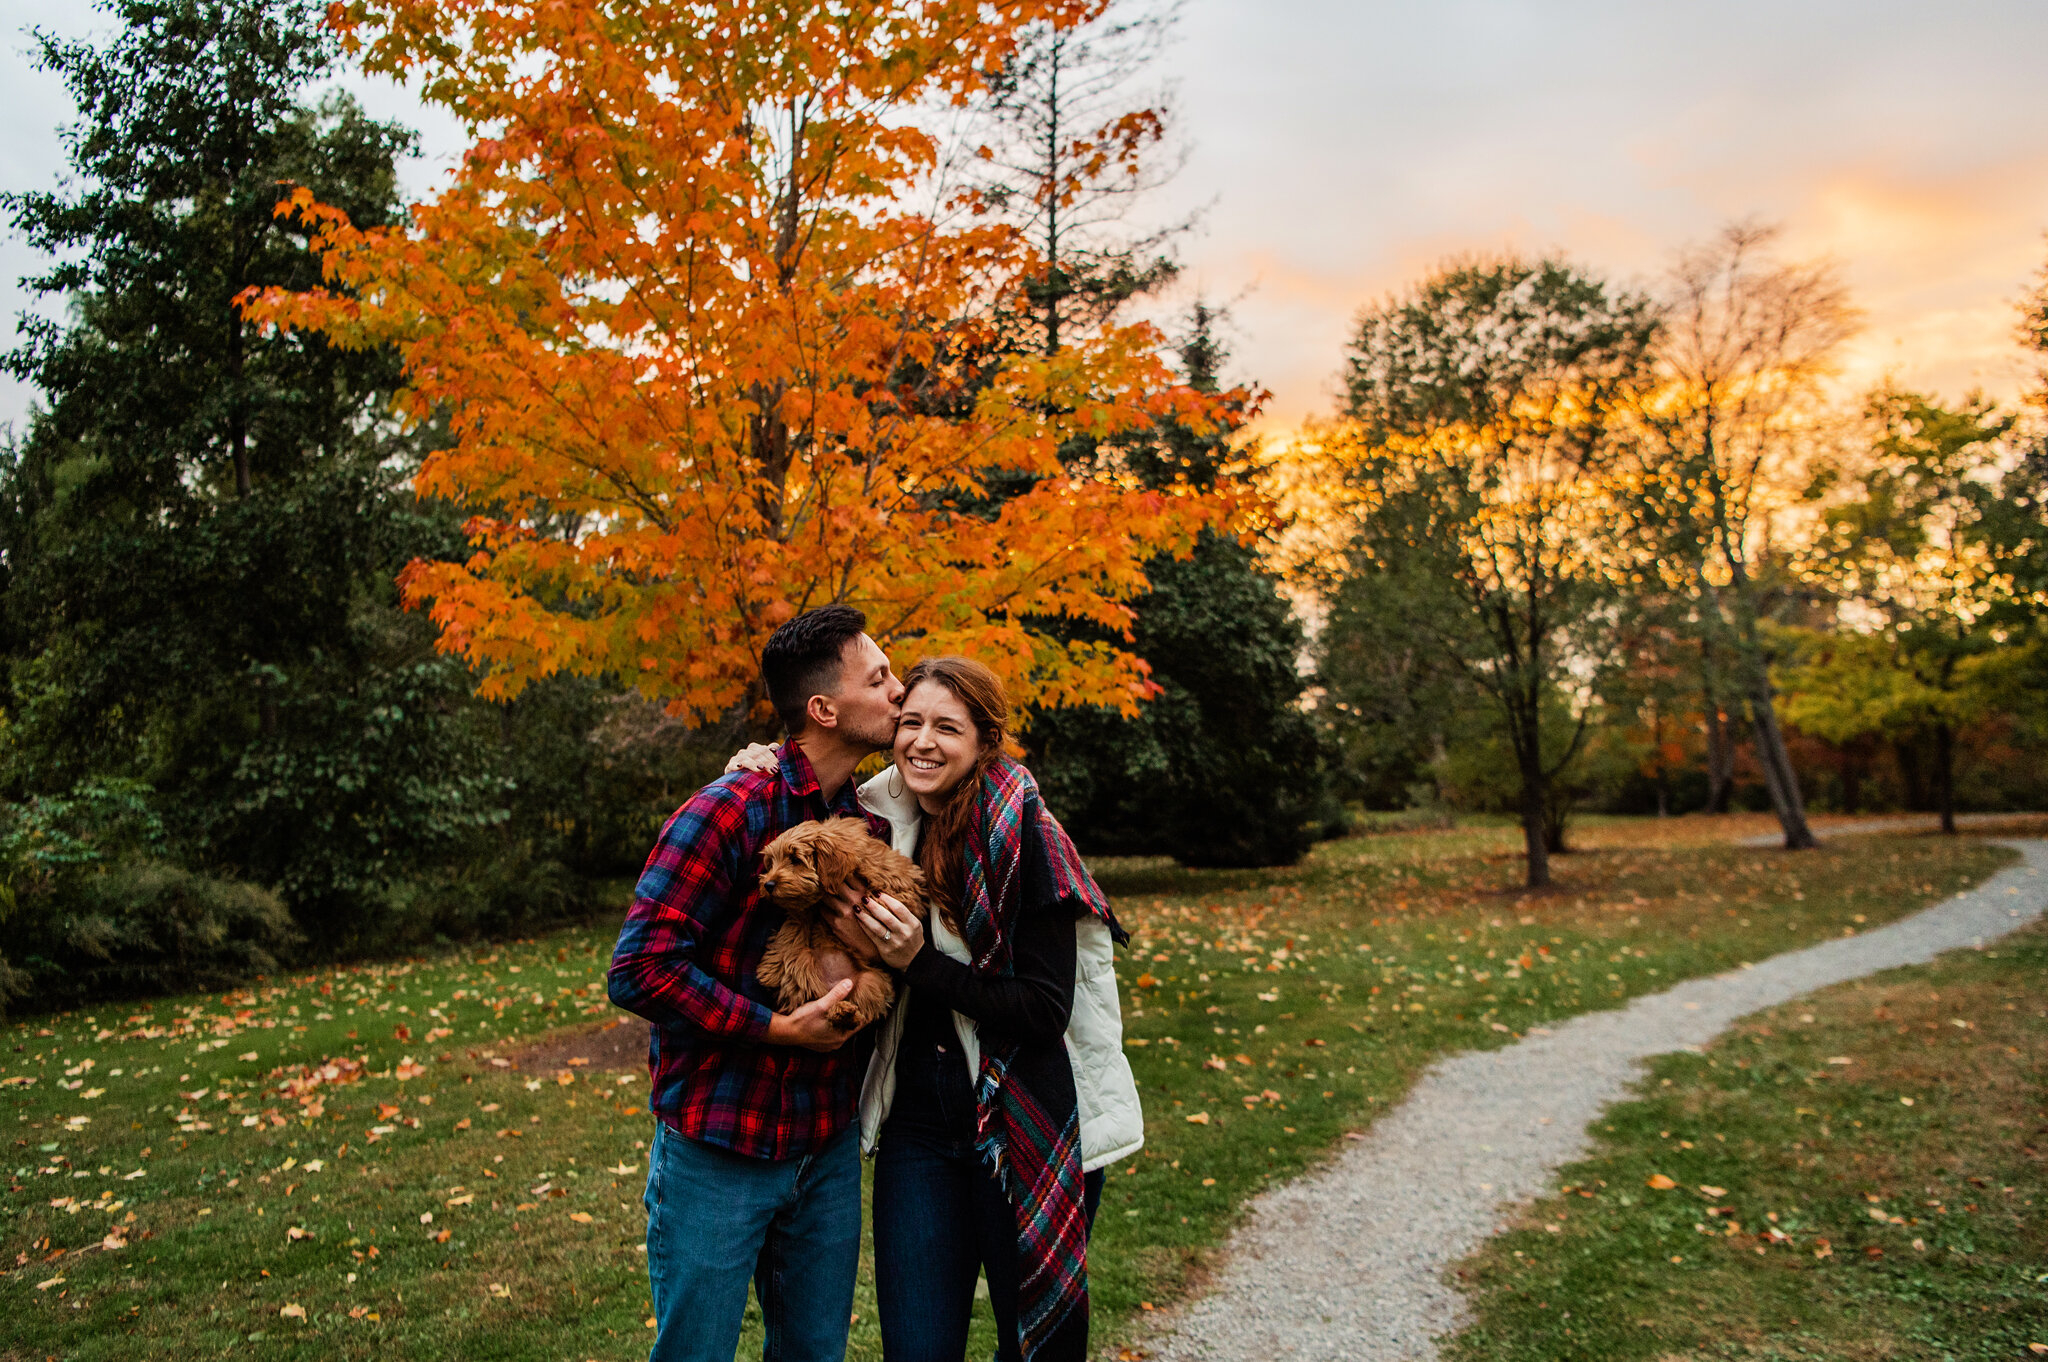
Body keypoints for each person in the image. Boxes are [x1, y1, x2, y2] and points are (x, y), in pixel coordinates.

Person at [731, 656, 1143, 1362]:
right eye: (911, 722)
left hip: (1025, 1122)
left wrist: (916, 962)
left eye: (947, 728)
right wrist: (765, 759)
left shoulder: (1028, 837)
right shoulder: (877, 815)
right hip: (916, 1132)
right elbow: (803, 810)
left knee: (1030, 1346)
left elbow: (1043, 1011)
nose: (923, 741)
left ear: (985, 741)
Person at [607, 604, 905, 1362]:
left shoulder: (864, 828)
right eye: (880, 678)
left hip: (824, 1147)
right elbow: (640, 967)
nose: (899, 690)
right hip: (719, 1144)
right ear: (824, 709)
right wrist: (774, 1028)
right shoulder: (730, 808)